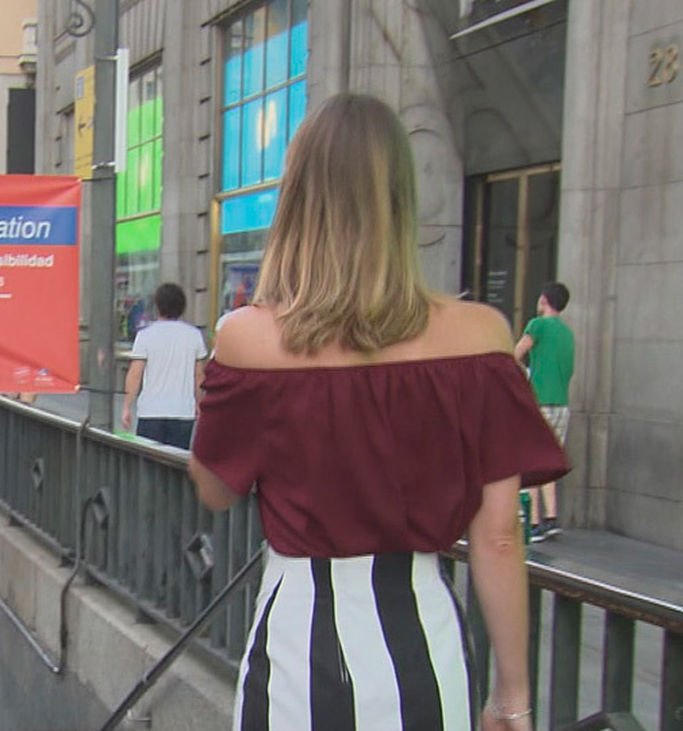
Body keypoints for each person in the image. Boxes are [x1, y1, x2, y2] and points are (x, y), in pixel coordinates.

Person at [188, 94, 567, 730]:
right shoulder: (481, 337)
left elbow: (217, 491)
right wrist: (512, 696)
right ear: (399, 199)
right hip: (423, 639)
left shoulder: (248, 339)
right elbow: (499, 536)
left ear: (300, 198)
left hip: (298, 641)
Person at [514, 282, 575, 543]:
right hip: (562, 403)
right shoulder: (568, 333)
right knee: (549, 462)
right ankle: (551, 518)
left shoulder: (537, 325)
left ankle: (534, 521)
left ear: (544, 299)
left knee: (530, 460)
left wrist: (525, 375)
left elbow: (514, 353)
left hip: (539, 400)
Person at [121, 283, 208, 449]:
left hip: (151, 411)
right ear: (182, 307)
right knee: (175, 466)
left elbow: (135, 374)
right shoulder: (194, 336)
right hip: (182, 411)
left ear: (158, 306)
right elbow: (199, 376)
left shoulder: (145, 336)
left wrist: (127, 406)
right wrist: (198, 403)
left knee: (148, 467)